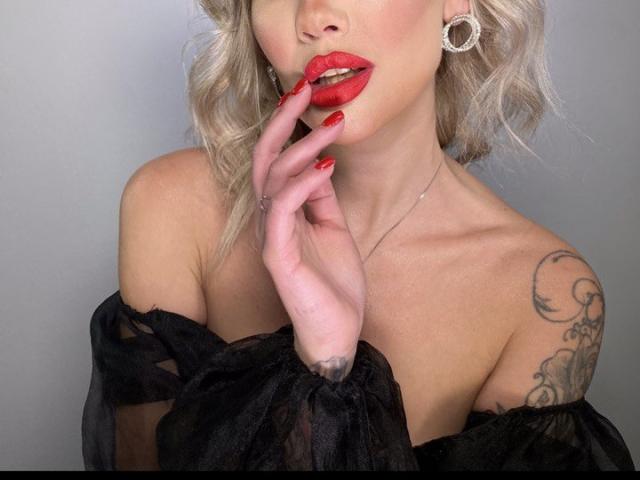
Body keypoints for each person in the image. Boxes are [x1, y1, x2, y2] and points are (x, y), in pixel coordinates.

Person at [81, 0, 635, 471]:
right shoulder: (173, 207)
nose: (315, 16)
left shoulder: (546, 297)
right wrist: (317, 368)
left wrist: (331, 368)